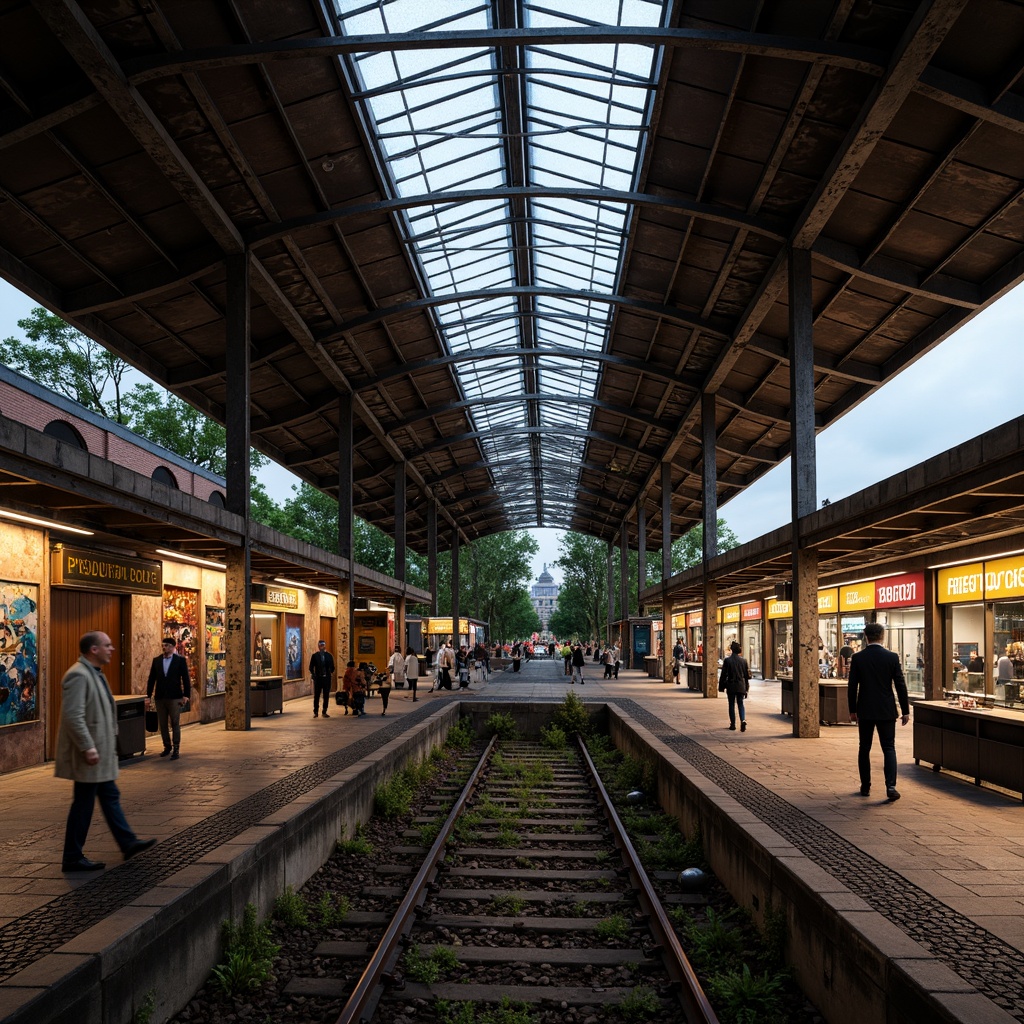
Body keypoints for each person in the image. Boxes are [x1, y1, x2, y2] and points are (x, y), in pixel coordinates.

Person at [56, 631, 156, 871]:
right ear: (93, 649)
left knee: (108, 797)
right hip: (89, 755)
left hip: (99, 754)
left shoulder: (94, 674)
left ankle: (127, 842)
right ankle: (72, 856)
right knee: (84, 804)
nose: (112, 649)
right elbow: (73, 715)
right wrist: (87, 747)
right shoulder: (78, 675)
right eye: (107, 645)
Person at [848, 621, 910, 801]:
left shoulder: (858, 658)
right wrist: (905, 710)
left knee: (864, 747)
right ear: (882, 636)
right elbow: (900, 684)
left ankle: (865, 786)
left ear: (866, 637)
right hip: (886, 709)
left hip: (865, 709)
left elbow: (852, 687)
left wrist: (853, 710)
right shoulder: (892, 657)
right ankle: (891, 786)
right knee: (889, 747)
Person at [145, 636, 191, 760]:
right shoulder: (157, 660)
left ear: (172, 647)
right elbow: (151, 679)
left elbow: (186, 679)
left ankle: (176, 746)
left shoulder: (179, 660)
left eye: (166, 645)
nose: (164, 647)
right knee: (163, 723)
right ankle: (167, 746)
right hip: (160, 697)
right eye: (163, 645)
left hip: (175, 696)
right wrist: (148, 696)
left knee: (175, 722)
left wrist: (186, 695)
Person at [718, 641, 750, 732]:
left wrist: (721, 687)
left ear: (731, 649)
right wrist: (746, 688)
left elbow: (723, 675)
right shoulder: (743, 661)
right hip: (741, 685)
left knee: (731, 704)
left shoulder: (727, 660)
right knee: (741, 704)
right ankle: (743, 720)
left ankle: (733, 724)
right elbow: (746, 676)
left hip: (731, 685)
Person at [309, 639, 335, 719]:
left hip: (326, 678)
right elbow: (311, 667)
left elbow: (332, 667)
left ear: (325, 646)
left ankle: (324, 711)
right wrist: (314, 674)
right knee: (317, 695)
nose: (321, 647)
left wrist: (330, 671)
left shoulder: (329, 656)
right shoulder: (315, 656)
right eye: (320, 645)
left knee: (326, 695)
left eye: (323, 645)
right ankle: (316, 711)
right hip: (318, 678)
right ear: (318, 646)